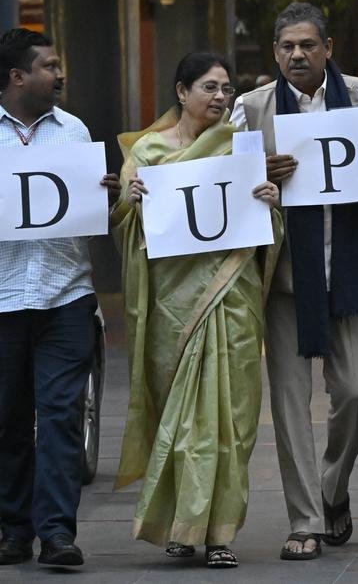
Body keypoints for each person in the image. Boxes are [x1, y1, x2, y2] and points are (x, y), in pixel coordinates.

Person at [230, 2, 358, 560]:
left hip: (350, 270)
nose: (297, 55)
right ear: (275, 53)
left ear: (328, 49)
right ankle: (305, 519)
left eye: (308, 45)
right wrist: (260, 177)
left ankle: (332, 486)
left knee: (353, 392)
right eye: (286, 47)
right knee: (288, 401)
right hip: (285, 276)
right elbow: (230, 188)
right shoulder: (251, 107)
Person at [112, 52, 282, 568]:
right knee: (183, 421)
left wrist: (271, 200)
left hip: (232, 297)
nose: (220, 97)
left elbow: (265, 230)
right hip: (172, 306)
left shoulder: (242, 150)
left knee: (230, 419)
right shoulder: (149, 150)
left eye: (226, 89)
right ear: (181, 92)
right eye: (209, 87)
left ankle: (221, 535)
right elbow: (125, 224)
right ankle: (181, 529)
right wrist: (132, 201)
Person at [0, 28, 119, 568]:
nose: (60, 73)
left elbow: (90, 210)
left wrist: (108, 196)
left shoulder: (74, 132)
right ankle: (12, 530)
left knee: (62, 415)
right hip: (3, 300)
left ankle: (57, 534)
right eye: (49, 65)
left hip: (66, 295)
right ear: (17, 77)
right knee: (7, 418)